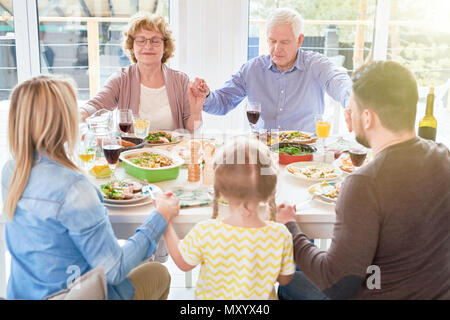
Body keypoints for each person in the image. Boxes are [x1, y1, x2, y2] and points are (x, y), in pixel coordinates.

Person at [276, 61, 450, 300]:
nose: (349, 114)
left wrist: (290, 228)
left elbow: (335, 284)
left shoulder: (364, 184)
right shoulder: (443, 156)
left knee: (289, 282)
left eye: (352, 108)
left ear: (367, 117)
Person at [1, 74, 181, 300]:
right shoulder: (74, 189)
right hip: (74, 295)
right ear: (63, 122)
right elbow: (115, 269)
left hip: (25, 293)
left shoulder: (11, 171)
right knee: (158, 273)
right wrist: (160, 217)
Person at [164, 138, 295, 299]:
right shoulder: (280, 234)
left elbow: (182, 262)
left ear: (221, 191)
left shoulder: (207, 231)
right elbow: (284, 279)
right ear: (269, 188)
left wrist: (165, 223)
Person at [191, 8, 352, 133]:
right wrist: (205, 95)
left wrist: (352, 101)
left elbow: (338, 81)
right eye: (272, 41)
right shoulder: (252, 69)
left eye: (284, 42)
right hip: (263, 153)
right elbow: (223, 102)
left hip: (304, 155)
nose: (277, 49)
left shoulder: (316, 64)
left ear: (299, 40)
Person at [79, 12, 205, 132]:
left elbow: (191, 129)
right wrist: (78, 114)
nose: (148, 46)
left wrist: (196, 110)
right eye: (141, 40)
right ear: (132, 45)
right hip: (130, 153)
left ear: (165, 46)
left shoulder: (180, 80)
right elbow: (96, 105)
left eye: (155, 40)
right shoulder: (121, 78)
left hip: (172, 152)